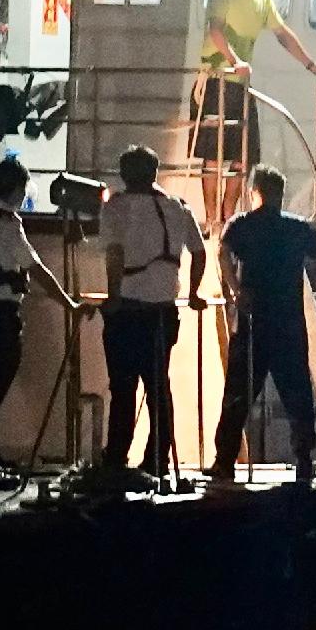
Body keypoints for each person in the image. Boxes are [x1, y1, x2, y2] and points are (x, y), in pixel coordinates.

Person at [211, 167, 316, 487]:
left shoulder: (241, 225)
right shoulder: (296, 229)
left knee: (238, 395)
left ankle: (224, 462)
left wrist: (234, 290)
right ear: (281, 193)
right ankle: (303, 461)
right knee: (297, 395)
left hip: (254, 323)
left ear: (255, 191)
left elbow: (222, 252)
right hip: (288, 324)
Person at [95, 147, 209, 481]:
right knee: (159, 388)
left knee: (123, 387)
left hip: (127, 309)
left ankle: (116, 457)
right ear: (155, 173)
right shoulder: (177, 208)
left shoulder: (116, 207)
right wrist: (192, 292)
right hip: (163, 312)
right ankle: (157, 459)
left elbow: (114, 254)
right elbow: (199, 252)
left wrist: (113, 295)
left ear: (125, 175)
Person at [0, 158, 69, 480]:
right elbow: (36, 270)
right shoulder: (9, 225)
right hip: (1, 316)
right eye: (23, 188)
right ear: (14, 189)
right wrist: (68, 303)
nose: (25, 194)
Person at [195, 0, 316, 167]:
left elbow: (282, 34)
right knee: (213, 157)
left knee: (242, 157)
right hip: (217, 79)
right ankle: (213, 205)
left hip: (241, 83)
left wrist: (310, 64)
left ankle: (230, 205)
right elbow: (215, 30)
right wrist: (234, 60)